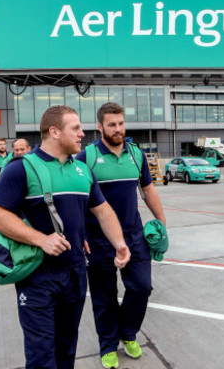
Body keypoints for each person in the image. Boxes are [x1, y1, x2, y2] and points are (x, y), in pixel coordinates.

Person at [0, 105, 131, 369]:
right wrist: (41, 239)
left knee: (66, 349)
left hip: (75, 273)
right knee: (42, 357)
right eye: (75, 128)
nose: (82, 134)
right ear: (54, 132)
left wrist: (120, 244)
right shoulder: (22, 168)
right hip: (37, 277)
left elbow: (102, 211)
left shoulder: (82, 171)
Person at [75, 102, 167, 369]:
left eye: (121, 123)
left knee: (141, 287)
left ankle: (128, 333)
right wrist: (79, 233)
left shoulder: (136, 155)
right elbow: (77, 199)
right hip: (97, 240)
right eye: (112, 124)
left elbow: (148, 190)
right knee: (104, 296)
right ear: (100, 126)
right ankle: (107, 345)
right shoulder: (87, 157)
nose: (118, 129)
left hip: (134, 234)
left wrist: (161, 222)